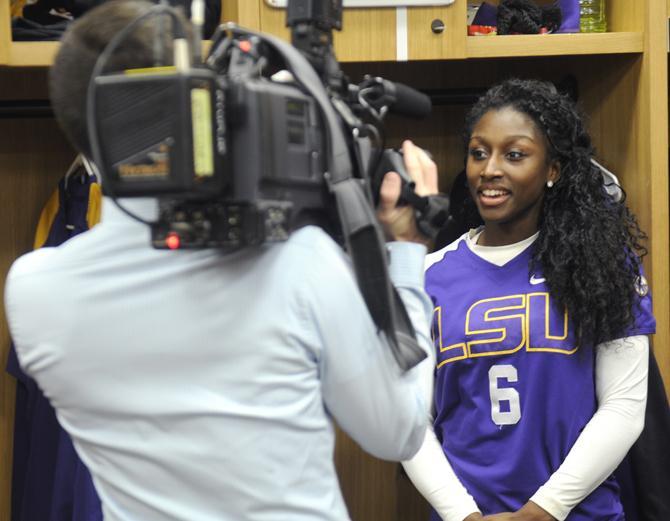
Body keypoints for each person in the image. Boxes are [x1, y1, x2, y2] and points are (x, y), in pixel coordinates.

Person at [4, 1, 439, 520]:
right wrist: (407, 250)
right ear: (192, 99)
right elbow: (399, 430)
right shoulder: (296, 264)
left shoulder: (33, 290)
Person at [402, 78, 656, 521]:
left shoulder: (604, 267)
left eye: (514, 154)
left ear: (553, 169)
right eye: (479, 153)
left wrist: (540, 512)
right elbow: (409, 421)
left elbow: (625, 407)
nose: (489, 169)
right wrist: (463, 515)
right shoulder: (427, 276)